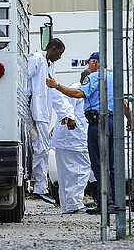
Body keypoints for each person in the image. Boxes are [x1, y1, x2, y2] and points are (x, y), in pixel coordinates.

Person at [46, 51, 116, 215]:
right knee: (107, 165)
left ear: (94, 63)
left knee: (93, 166)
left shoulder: (92, 79)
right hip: (108, 124)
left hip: (93, 126)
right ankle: (109, 201)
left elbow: (76, 95)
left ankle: (102, 203)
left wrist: (56, 85)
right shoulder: (112, 78)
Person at [26, 38, 74, 205]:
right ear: (52, 48)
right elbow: (24, 78)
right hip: (34, 111)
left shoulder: (49, 66)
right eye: (59, 53)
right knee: (41, 147)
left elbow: (55, 94)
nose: (59, 57)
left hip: (42, 112)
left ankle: (39, 186)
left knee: (42, 148)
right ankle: (34, 181)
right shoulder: (37, 59)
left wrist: (66, 113)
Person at [52, 69, 92, 214]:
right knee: (79, 172)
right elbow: (66, 109)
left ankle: (69, 205)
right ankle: (73, 204)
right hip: (73, 138)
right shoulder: (76, 90)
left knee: (69, 174)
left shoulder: (75, 89)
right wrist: (68, 118)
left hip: (70, 139)